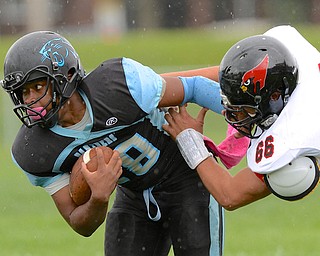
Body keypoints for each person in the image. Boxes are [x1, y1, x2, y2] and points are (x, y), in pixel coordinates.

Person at [1, 31, 249, 256]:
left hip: (187, 181)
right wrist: (98, 198)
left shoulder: (119, 83)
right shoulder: (32, 151)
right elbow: (78, 223)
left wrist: (246, 121)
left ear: (66, 76)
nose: (31, 100)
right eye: (23, 92)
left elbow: (193, 87)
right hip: (134, 196)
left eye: (37, 86)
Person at [163, 24, 320, 211]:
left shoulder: (294, 134)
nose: (233, 115)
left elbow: (230, 195)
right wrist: (154, 83)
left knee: (288, 175)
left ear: (276, 96)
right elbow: (238, 78)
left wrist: (189, 139)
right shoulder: (291, 59)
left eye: (244, 109)